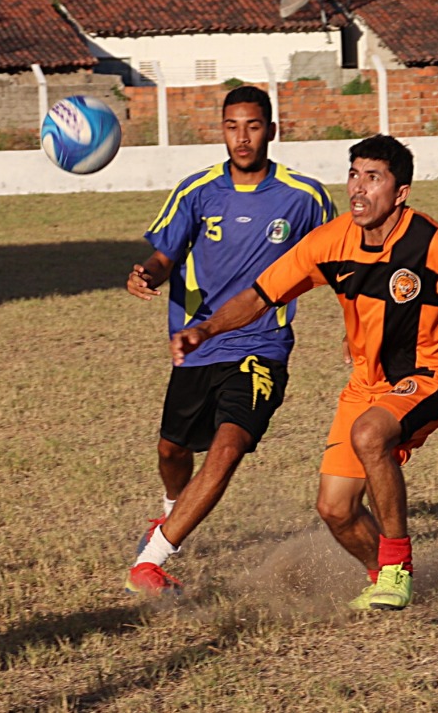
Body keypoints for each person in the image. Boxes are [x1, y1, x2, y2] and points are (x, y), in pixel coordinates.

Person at [170, 134, 438, 610]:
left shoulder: (436, 244)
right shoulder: (332, 241)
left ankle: (397, 567)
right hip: (366, 384)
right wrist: (205, 330)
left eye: (374, 178)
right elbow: (261, 296)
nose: (359, 188)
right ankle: (388, 582)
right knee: (335, 509)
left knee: (371, 435)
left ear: (400, 193)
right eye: (354, 174)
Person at [124, 84, 336, 596]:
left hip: (262, 346)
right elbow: (164, 256)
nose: (242, 138)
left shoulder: (303, 197)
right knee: (172, 451)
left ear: (272, 130)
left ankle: (152, 561)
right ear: (221, 130)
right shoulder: (197, 191)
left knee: (227, 447)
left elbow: (341, 259)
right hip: (197, 344)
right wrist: (147, 275)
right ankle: (175, 512)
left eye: (253, 126)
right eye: (232, 126)